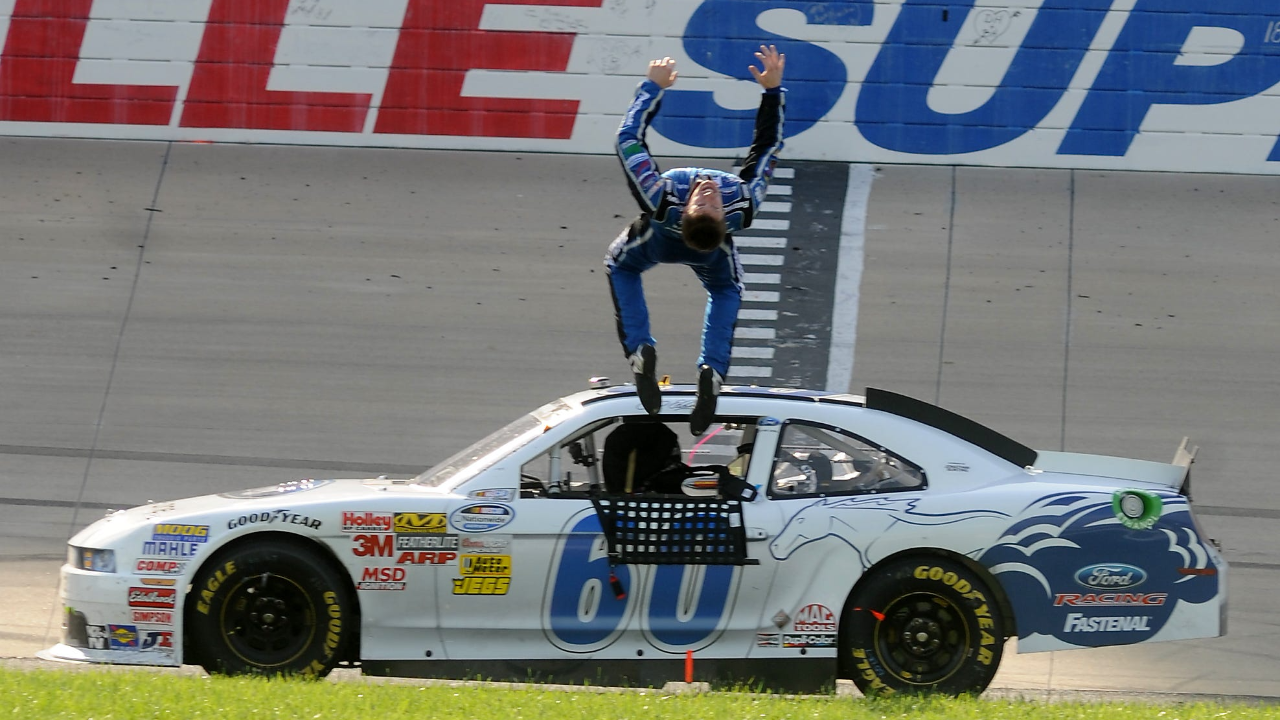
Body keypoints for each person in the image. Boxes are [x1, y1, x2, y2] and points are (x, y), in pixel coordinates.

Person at [606, 45, 786, 435]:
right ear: (726, 221)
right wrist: (773, 92)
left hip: (655, 239)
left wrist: (651, 89)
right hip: (712, 255)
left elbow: (627, 139)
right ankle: (713, 371)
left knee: (619, 266)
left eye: (704, 201)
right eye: (710, 202)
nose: (707, 192)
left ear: (684, 210)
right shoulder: (744, 203)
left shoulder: (660, 197)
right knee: (728, 290)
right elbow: (769, 147)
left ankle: (639, 352)